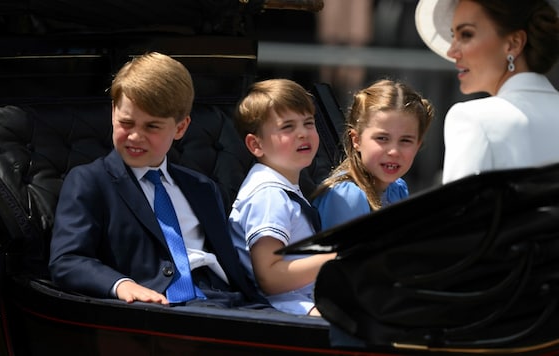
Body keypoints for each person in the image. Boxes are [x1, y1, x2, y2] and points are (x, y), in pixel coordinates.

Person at [48, 52, 265, 308]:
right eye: (126, 123)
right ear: (112, 113)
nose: (135, 136)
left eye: (152, 127)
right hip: (160, 308)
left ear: (181, 128)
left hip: (229, 301)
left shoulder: (202, 188)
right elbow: (68, 260)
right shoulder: (90, 181)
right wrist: (122, 285)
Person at [415, 0, 559, 184]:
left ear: (513, 44)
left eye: (466, 34)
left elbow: (461, 220)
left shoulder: (472, 119)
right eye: (454, 36)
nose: (452, 51)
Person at [228, 78, 336, 316]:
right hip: (284, 310)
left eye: (308, 123)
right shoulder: (269, 195)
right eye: (287, 127)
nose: (302, 133)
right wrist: (335, 259)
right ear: (256, 144)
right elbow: (270, 277)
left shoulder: (281, 189)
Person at [312, 79, 434, 229]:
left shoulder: (397, 188)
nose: (394, 151)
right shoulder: (348, 197)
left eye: (406, 140)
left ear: (418, 145)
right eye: (382, 138)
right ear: (356, 140)